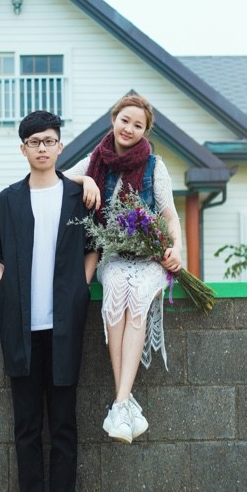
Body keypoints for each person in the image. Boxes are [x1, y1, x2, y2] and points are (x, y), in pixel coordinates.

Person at [0, 110, 99, 492]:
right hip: (22, 330)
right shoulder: (7, 201)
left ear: (60, 146)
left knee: (64, 427)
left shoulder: (77, 196)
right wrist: (7, 287)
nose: (42, 148)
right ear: (23, 149)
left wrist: (78, 290)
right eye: (34, 142)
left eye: (49, 140)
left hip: (64, 328)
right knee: (27, 428)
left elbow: (93, 246)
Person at [66, 94, 183, 444]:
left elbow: (169, 215)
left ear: (145, 131)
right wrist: (86, 181)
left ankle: (120, 405)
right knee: (117, 288)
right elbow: (57, 178)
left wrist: (176, 249)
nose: (129, 128)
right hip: (113, 256)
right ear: (113, 119)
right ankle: (124, 405)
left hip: (150, 258)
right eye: (125, 120)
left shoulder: (154, 166)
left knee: (138, 292)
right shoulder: (95, 160)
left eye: (138, 125)